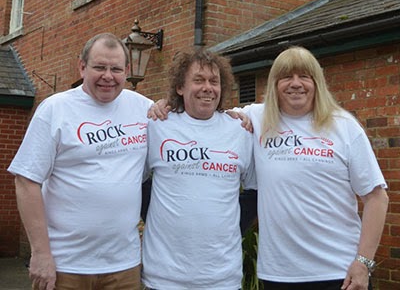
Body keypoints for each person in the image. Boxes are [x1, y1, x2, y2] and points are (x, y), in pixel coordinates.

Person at [8, 33, 154, 290]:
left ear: (127, 71)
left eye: (116, 69)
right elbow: (26, 181)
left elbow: (188, 129)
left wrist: (227, 118)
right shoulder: (55, 109)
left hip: (124, 267)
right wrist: (40, 254)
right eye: (99, 67)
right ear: (82, 67)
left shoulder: (145, 109)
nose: (108, 76)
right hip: (64, 267)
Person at [239, 46, 388, 290]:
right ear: (274, 84)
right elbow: (209, 117)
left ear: (317, 83)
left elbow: (376, 198)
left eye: (304, 76)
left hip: (339, 273)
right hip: (279, 275)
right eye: (286, 77)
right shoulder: (258, 117)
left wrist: (363, 263)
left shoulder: (344, 125)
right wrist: (233, 118)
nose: (296, 83)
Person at [141, 48, 256, 290]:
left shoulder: (240, 130)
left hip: (222, 278)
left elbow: (255, 191)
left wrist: (229, 228)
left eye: (214, 81)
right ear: (180, 87)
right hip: (164, 278)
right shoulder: (157, 125)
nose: (207, 88)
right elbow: (137, 182)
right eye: (198, 80)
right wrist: (156, 218)